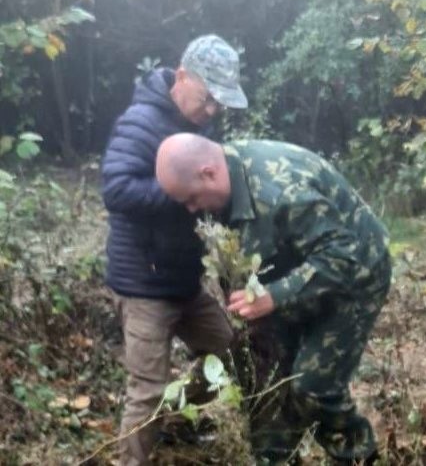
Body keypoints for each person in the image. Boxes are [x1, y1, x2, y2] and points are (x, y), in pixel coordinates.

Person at [155, 132, 392, 465]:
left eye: (192, 199)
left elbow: (342, 256)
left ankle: (359, 458)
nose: (191, 209)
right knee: (268, 382)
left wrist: (275, 296)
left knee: (313, 387)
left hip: (355, 274)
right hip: (293, 269)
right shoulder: (224, 181)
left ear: (209, 173)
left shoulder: (282, 192)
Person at [101, 34, 248, 466]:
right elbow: (116, 189)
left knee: (232, 354)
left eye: (219, 103)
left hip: (184, 280)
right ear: (182, 77)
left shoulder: (197, 124)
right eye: (207, 99)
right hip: (144, 283)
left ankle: (174, 418)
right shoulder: (141, 122)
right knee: (146, 389)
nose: (212, 110)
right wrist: (180, 190)